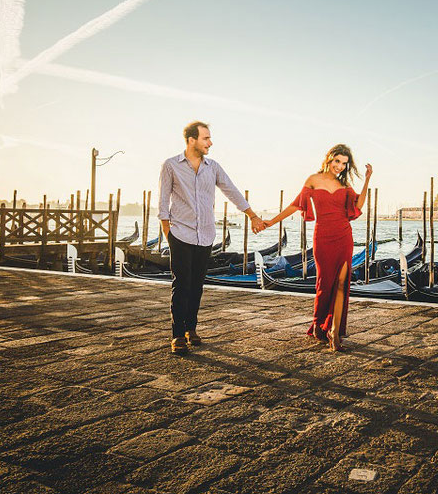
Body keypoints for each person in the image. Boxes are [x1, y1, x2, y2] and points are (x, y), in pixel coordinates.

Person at [158, 121, 267, 355]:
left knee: (197, 285)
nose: (210, 142)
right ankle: (177, 335)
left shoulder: (213, 167)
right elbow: (162, 201)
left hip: (205, 234)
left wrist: (253, 216)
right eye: (206, 138)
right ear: (191, 140)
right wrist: (168, 233)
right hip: (181, 232)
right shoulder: (170, 166)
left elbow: (231, 190)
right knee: (181, 284)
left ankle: (191, 329)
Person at [263, 144, 371, 351]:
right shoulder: (313, 180)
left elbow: (358, 207)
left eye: (344, 164)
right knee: (325, 283)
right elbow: (296, 205)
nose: (340, 166)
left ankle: (334, 331)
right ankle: (320, 324)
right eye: (337, 161)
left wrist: (367, 179)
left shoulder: (344, 186)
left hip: (344, 236)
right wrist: (272, 221)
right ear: (329, 158)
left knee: (342, 283)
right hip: (323, 237)